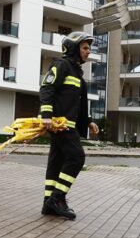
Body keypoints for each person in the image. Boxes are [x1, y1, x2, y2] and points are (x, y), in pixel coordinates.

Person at [39, 32, 100, 219]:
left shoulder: (78, 75)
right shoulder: (62, 65)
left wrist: (88, 121)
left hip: (68, 126)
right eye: (85, 47)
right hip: (60, 125)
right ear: (74, 48)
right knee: (76, 157)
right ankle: (57, 199)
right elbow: (47, 87)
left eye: (89, 48)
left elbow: (80, 104)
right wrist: (46, 115)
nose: (88, 51)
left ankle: (48, 202)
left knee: (56, 162)